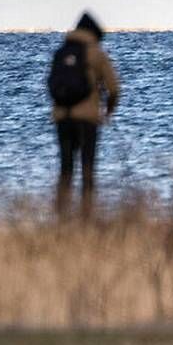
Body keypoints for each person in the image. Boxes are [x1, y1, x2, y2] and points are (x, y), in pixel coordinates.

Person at [48, 11, 120, 212]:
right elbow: (114, 88)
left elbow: (51, 85)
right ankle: (86, 217)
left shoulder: (60, 52)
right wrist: (108, 112)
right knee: (87, 170)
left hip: (62, 118)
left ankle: (61, 217)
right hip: (87, 119)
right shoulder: (96, 53)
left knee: (66, 169)